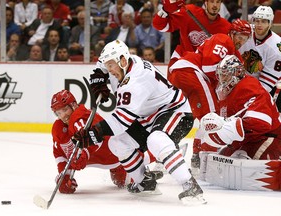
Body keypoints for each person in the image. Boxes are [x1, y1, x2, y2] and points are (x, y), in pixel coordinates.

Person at [73, 40, 206, 205]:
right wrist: (99, 75)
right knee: (117, 143)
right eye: (108, 66)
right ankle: (145, 182)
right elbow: (102, 63)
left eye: (111, 66)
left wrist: (94, 133)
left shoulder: (137, 80)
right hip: (148, 116)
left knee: (156, 140)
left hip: (175, 111)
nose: (110, 70)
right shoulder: (125, 61)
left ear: (122, 61)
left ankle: (190, 185)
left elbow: (122, 121)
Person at [167, 19, 252, 174]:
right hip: (191, 71)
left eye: (245, 38)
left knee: (182, 117)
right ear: (232, 33)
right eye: (240, 36)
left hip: (181, 74)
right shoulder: (223, 39)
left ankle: (166, 154)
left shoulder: (234, 53)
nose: (241, 41)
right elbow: (208, 67)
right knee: (212, 116)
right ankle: (200, 156)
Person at [51, 89, 161, 193]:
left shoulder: (80, 119)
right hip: (104, 158)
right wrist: (65, 176)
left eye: (65, 110)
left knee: (135, 166)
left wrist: (84, 153)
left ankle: (160, 154)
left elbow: (95, 140)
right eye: (59, 113)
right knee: (119, 181)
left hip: (115, 154)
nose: (63, 116)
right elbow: (59, 153)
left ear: (73, 105)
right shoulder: (59, 128)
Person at [198, 55, 281, 191]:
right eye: (220, 75)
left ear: (236, 73)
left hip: (269, 137)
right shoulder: (228, 91)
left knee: (255, 169)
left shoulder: (249, 87)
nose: (221, 79)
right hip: (249, 138)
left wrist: (227, 125)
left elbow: (261, 123)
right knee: (222, 160)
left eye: (225, 75)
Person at [239, 6, 281, 113]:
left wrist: (246, 99)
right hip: (240, 79)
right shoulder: (244, 33)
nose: (259, 24)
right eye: (257, 21)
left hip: (265, 86)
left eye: (263, 21)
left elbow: (265, 86)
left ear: (270, 23)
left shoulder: (277, 47)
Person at [153, 0, 231, 57]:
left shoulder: (225, 26)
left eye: (218, 2)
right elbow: (159, 25)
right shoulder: (189, 13)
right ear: (206, 3)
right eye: (212, 1)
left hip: (206, 68)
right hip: (184, 62)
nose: (215, 5)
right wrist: (164, 10)